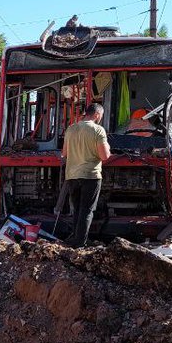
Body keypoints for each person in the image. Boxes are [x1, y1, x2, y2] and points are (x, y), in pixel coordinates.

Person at [61, 102, 111, 247]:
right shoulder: (98, 130)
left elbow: (64, 153)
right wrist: (107, 146)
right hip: (90, 175)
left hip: (72, 175)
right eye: (100, 116)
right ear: (96, 115)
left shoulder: (70, 129)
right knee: (87, 210)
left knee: (77, 209)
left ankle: (75, 239)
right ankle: (80, 244)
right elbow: (104, 156)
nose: (100, 118)